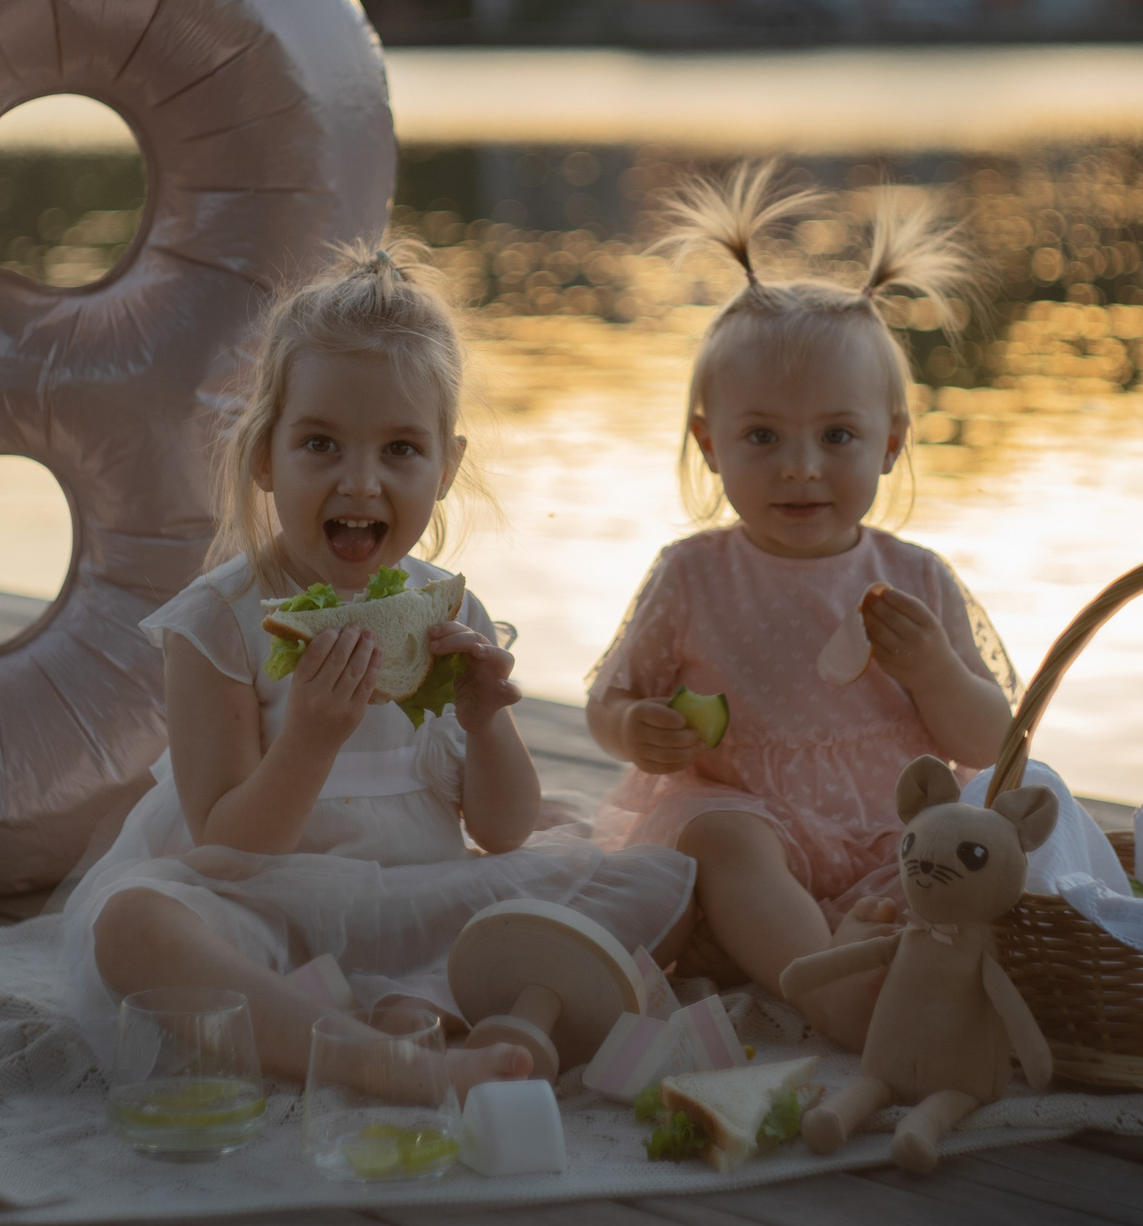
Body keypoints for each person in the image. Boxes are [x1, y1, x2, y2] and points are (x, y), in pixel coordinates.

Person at [63, 241, 694, 1092]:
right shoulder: (218, 622)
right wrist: (310, 739)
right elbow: (230, 845)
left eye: (400, 450)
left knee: (634, 881)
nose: (361, 482)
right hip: (266, 913)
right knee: (132, 925)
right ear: (263, 457)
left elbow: (505, 830)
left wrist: (487, 719)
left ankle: (402, 1011)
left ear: (446, 467)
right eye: (321, 444)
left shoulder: (447, 610)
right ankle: (378, 1056)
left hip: (420, 902)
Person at [585, 164, 1020, 1049]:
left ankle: (877, 954)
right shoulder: (693, 575)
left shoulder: (917, 578)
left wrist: (935, 671)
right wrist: (637, 729)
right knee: (719, 835)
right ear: (710, 444)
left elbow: (990, 742)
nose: (800, 466)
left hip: (895, 834)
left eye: (838, 436)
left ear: (890, 442)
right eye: (761, 436)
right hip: (762, 832)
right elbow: (608, 698)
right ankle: (841, 1001)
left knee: (984, 838)